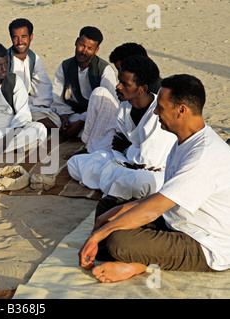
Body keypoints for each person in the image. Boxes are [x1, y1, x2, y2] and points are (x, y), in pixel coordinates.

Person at [79, 74, 230, 283]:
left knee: (118, 241)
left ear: (181, 110)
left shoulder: (204, 154)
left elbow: (153, 208)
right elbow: (162, 196)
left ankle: (138, 265)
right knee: (108, 207)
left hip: (204, 242)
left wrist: (101, 233)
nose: (156, 112)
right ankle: (132, 253)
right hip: (175, 220)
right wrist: (113, 215)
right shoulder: (183, 142)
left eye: (160, 107)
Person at [67, 55, 177, 200]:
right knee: (75, 163)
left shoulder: (158, 114)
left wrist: (126, 148)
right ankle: (116, 186)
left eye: (125, 84)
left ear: (142, 88)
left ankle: (114, 186)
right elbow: (117, 144)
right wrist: (127, 150)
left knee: (142, 182)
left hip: (151, 171)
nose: (118, 86)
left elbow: (148, 161)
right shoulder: (125, 105)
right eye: (119, 81)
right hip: (125, 164)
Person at [51, 26, 119, 153]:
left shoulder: (104, 69)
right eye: (82, 45)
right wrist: (64, 118)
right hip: (71, 114)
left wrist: (82, 121)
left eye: (90, 48)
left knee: (105, 126)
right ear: (76, 42)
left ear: (96, 50)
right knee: (44, 114)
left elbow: (109, 105)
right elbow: (57, 98)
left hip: (94, 117)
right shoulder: (65, 66)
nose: (84, 51)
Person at [7, 18, 60, 129]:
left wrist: (42, 105)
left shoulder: (33, 58)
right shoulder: (4, 60)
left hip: (27, 105)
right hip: (7, 108)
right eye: (15, 38)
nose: (20, 42)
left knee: (57, 119)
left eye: (23, 37)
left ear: (31, 37)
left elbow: (44, 87)